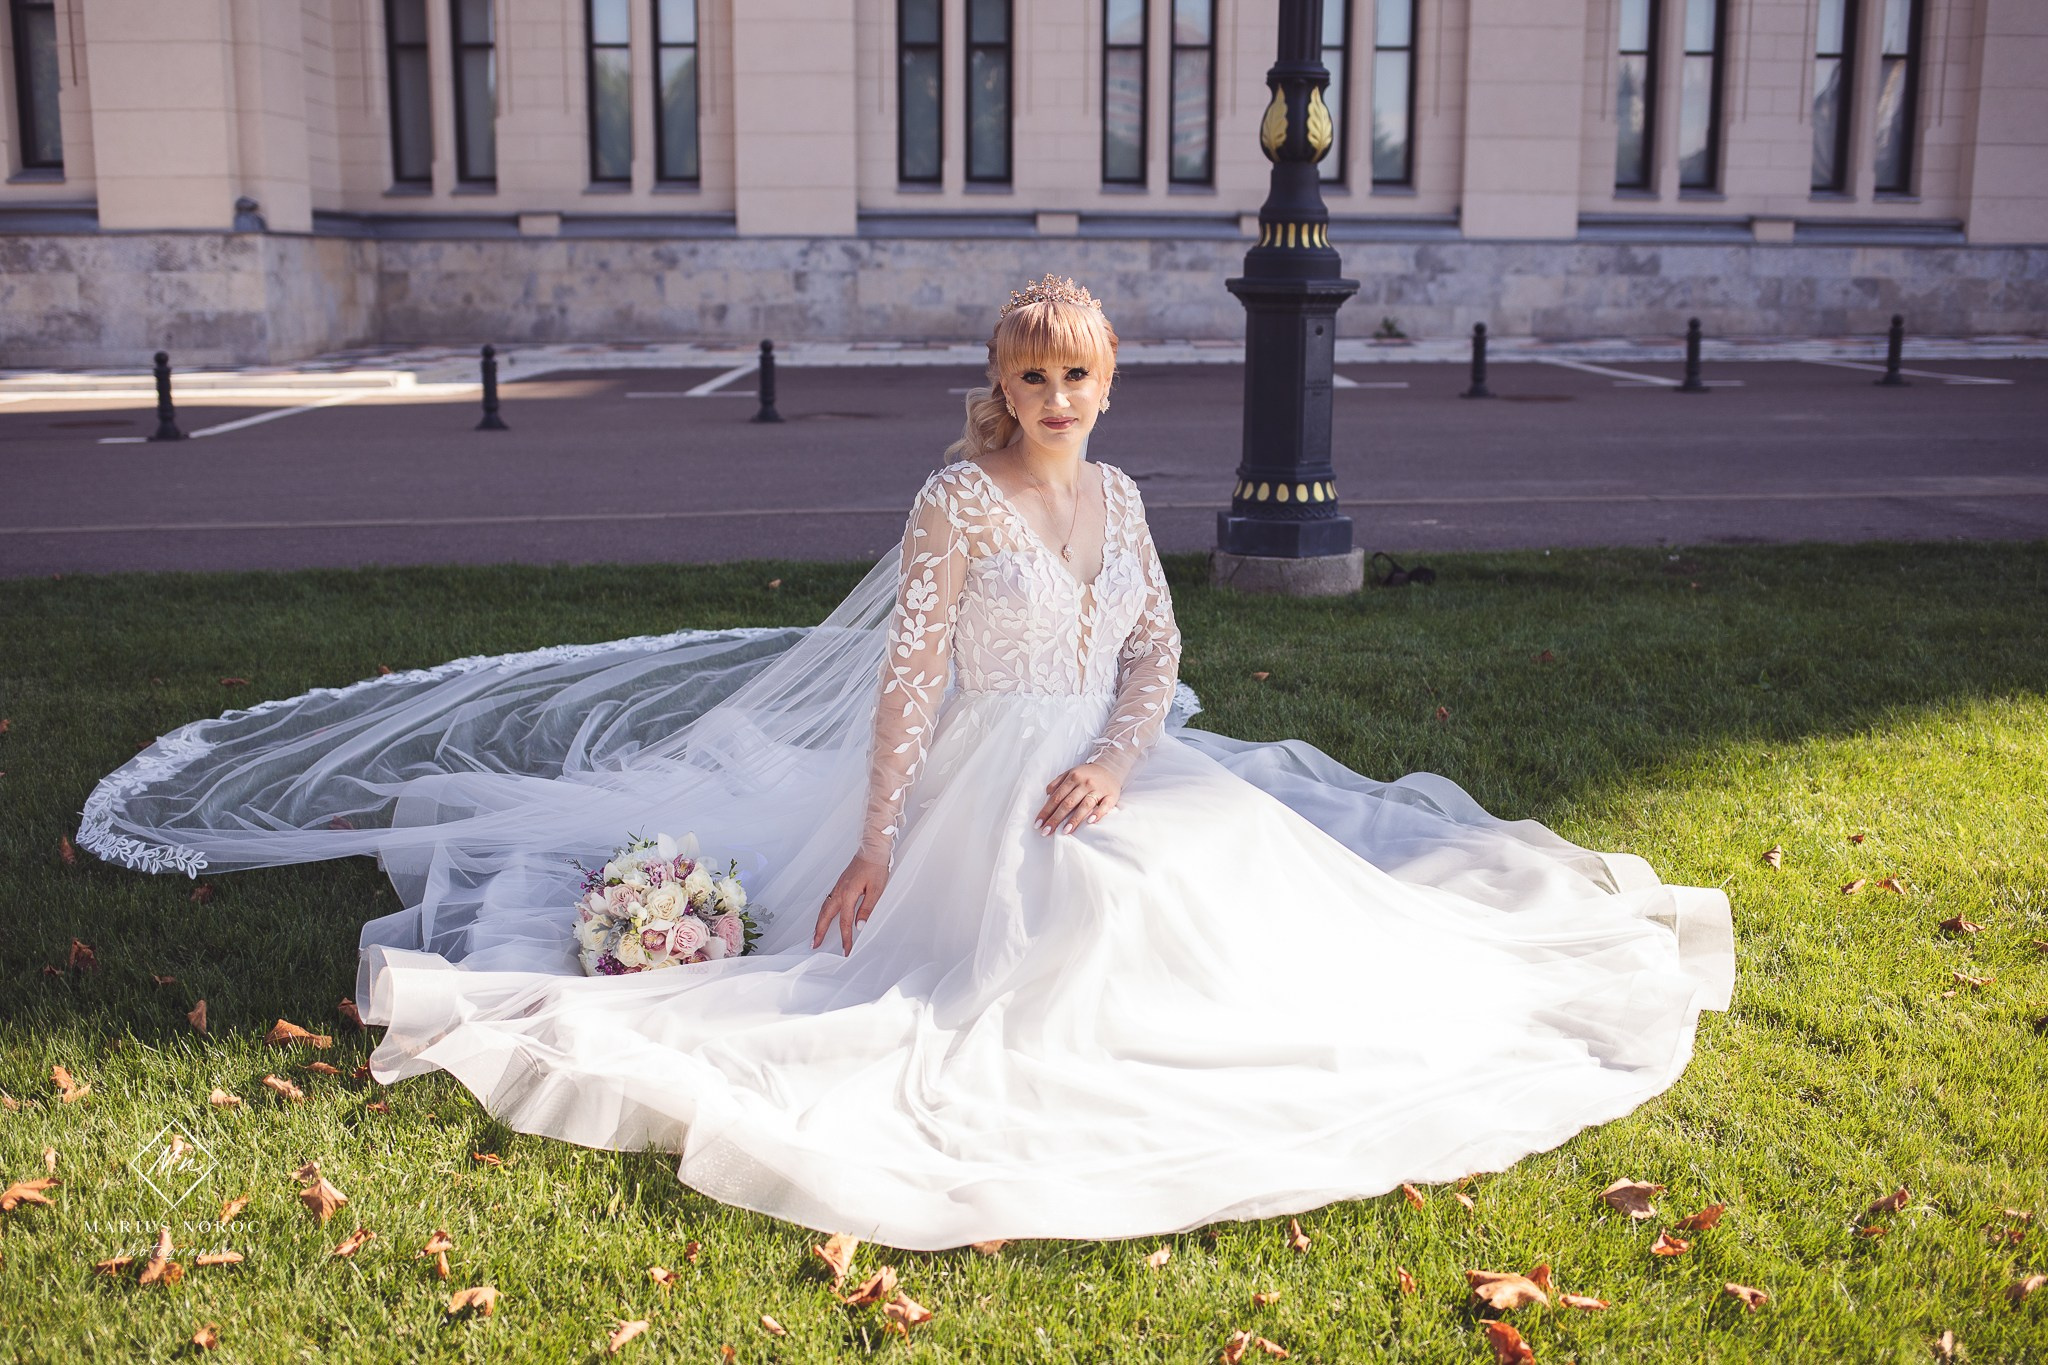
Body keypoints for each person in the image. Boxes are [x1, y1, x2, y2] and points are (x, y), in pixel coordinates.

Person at [79, 276, 1734, 1252]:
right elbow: (909, 681)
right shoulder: (955, 502)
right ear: (1001, 386)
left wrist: (1119, 754)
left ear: (1108, 384)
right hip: (968, 779)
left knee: (1230, 859)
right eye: (1034, 376)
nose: (1058, 397)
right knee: (1064, 921)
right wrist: (878, 839)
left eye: (1080, 376)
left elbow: (1155, 653)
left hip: (1098, 758)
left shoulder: (1125, 499)